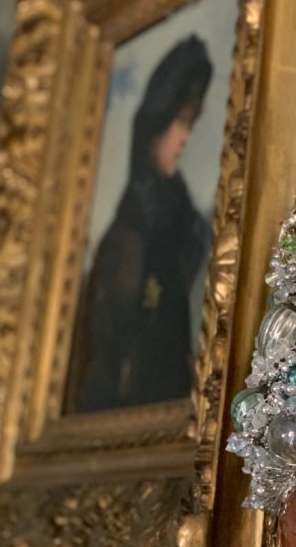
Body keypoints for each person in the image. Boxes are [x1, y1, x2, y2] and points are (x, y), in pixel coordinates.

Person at [66, 35, 213, 412]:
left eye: (190, 123)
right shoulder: (128, 233)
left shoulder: (181, 215)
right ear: (155, 124)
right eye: (180, 121)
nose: (185, 137)